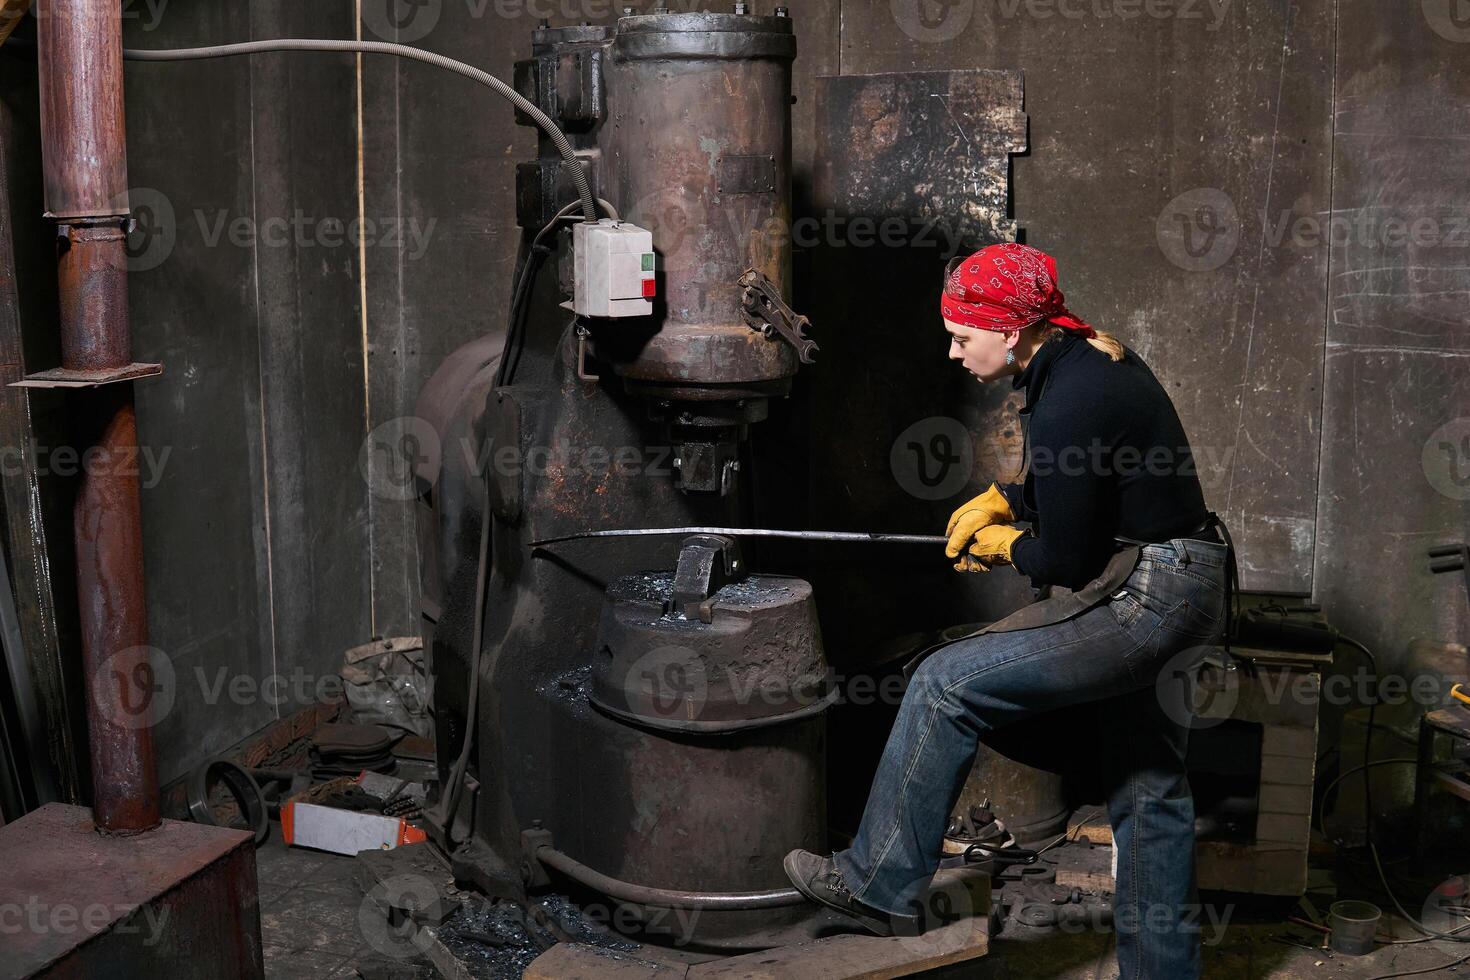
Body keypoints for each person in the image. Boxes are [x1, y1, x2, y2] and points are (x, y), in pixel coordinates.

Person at [783, 242, 1230, 980]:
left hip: (1153, 595)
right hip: (1180, 574)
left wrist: (1002, 545)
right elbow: (1086, 484)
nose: (954, 352)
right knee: (1148, 784)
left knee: (944, 684)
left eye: (962, 336)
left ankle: (876, 884)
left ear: (1010, 331)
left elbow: (1065, 560)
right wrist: (1007, 498)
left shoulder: (1071, 395)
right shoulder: (1087, 359)